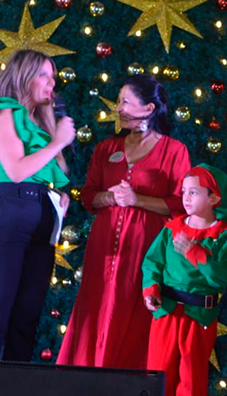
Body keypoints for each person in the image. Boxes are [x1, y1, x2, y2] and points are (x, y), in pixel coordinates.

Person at [57, 75, 191, 369]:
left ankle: (125, 386)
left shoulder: (174, 151)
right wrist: (110, 197)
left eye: (125, 102)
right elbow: (88, 196)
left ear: (149, 108)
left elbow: (181, 204)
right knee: (95, 304)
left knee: (133, 308)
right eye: (118, 101)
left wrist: (136, 200)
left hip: (145, 249)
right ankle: (84, 378)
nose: (118, 108)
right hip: (103, 247)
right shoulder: (105, 149)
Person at [0, 49, 74, 362]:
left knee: (24, 323)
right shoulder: (3, 113)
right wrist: (58, 142)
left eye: (53, 77)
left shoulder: (37, 124)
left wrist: (56, 197)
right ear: (23, 77)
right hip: (6, 220)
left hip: (40, 227)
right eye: (44, 75)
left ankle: (11, 393)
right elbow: (15, 171)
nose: (51, 83)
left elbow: (42, 173)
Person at [141, 164, 227, 396]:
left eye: (194, 192)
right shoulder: (172, 229)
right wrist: (151, 291)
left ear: (214, 198)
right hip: (166, 313)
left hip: (199, 317)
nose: (186, 197)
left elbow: (223, 276)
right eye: (184, 191)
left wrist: (195, 252)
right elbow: (152, 263)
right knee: (158, 373)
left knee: (193, 379)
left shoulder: (223, 235)